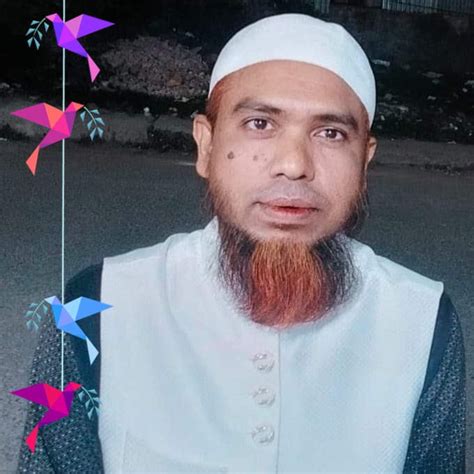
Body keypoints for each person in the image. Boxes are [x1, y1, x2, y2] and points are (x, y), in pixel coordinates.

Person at [17, 13, 465, 474]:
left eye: (330, 133)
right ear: (206, 146)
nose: (294, 164)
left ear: (364, 162)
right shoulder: (96, 307)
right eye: (259, 123)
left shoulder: (422, 322)